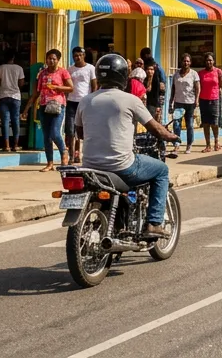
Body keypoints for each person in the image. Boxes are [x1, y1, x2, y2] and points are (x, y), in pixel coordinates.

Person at [74, 54, 181, 239]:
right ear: (123, 76)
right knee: (162, 170)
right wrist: (172, 137)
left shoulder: (85, 101)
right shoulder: (130, 100)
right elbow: (156, 129)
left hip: (90, 167)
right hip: (122, 167)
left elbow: (80, 133)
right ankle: (154, 223)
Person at [27, 49, 72, 171]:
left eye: (54, 59)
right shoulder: (42, 74)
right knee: (46, 136)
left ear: (58, 60)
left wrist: (57, 87)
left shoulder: (63, 72)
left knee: (55, 132)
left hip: (58, 105)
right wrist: (27, 108)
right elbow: (36, 92)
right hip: (43, 106)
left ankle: (64, 151)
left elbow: (71, 87)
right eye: (49, 58)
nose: (51, 61)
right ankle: (50, 163)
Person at [65, 47, 95, 162]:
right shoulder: (70, 69)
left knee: (81, 129)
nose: (78, 57)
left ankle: (78, 153)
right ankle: (71, 155)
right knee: (70, 130)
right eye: (75, 55)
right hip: (72, 102)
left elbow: (94, 85)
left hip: (85, 102)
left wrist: (92, 100)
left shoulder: (90, 68)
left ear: (84, 55)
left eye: (80, 55)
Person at [0, 52, 26, 153]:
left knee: (5, 121)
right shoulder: (19, 68)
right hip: (15, 97)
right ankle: (15, 145)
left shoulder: (0, 68)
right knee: (16, 121)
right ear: (13, 57)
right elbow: (21, 83)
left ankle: (6, 145)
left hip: (3, 96)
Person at [170, 53, 199, 154]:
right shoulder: (176, 74)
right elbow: (173, 89)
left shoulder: (194, 74)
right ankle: (176, 145)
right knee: (176, 124)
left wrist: (197, 100)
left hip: (190, 103)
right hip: (178, 102)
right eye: (184, 61)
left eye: (188, 61)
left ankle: (189, 144)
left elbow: (197, 88)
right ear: (181, 62)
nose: (186, 63)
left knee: (189, 125)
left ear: (190, 62)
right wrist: (171, 102)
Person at [198, 53, 222, 152]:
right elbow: (198, 88)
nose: (209, 62)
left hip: (215, 99)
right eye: (207, 60)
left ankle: (216, 142)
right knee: (205, 123)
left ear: (213, 61)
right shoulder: (200, 73)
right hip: (203, 100)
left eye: (211, 60)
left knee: (214, 123)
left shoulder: (218, 72)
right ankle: (208, 145)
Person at [139, 47, 166, 117]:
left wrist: (159, 105)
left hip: (153, 103)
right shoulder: (142, 71)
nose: (150, 71)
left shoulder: (156, 69)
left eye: (151, 69)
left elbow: (161, 88)